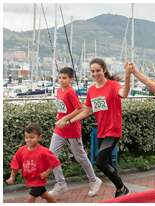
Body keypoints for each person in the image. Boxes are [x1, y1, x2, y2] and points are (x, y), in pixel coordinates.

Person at [64, 58, 132, 197]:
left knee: (100, 161)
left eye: (98, 70)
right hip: (102, 131)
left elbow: (124, 93)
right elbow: (86, 111)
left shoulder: (113, 85)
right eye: (93, 71)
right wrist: (69, 121)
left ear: (104, 70)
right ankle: (121, 189)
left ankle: (121, 188)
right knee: (105, 162)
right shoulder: (91, 90)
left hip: (113, 130)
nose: (95, 73)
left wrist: (128, 74)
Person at [49, 67, 102, 197]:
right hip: (59, 130)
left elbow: (80, 109)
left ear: (71, 79)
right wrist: (59, 118)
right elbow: (62, 108)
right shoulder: (58, 91)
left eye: (64, 78)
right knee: (50, 156)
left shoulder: (71, 92)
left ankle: (94, 180)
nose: (61, 80)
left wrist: (65, 119)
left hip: (72, 130)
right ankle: (60, 184)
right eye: (60, 77)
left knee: (80, 157)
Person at [6, 123, 60, 203]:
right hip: (30, 180)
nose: (29, 140)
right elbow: (15, 164)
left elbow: (55, 161)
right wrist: (12, 177)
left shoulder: (44, 151)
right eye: (26, 137)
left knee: (29, 200)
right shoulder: (21, 151)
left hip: (38, 180)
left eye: (32, 137)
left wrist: (47, 172)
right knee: (46, 196)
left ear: (39, 137)